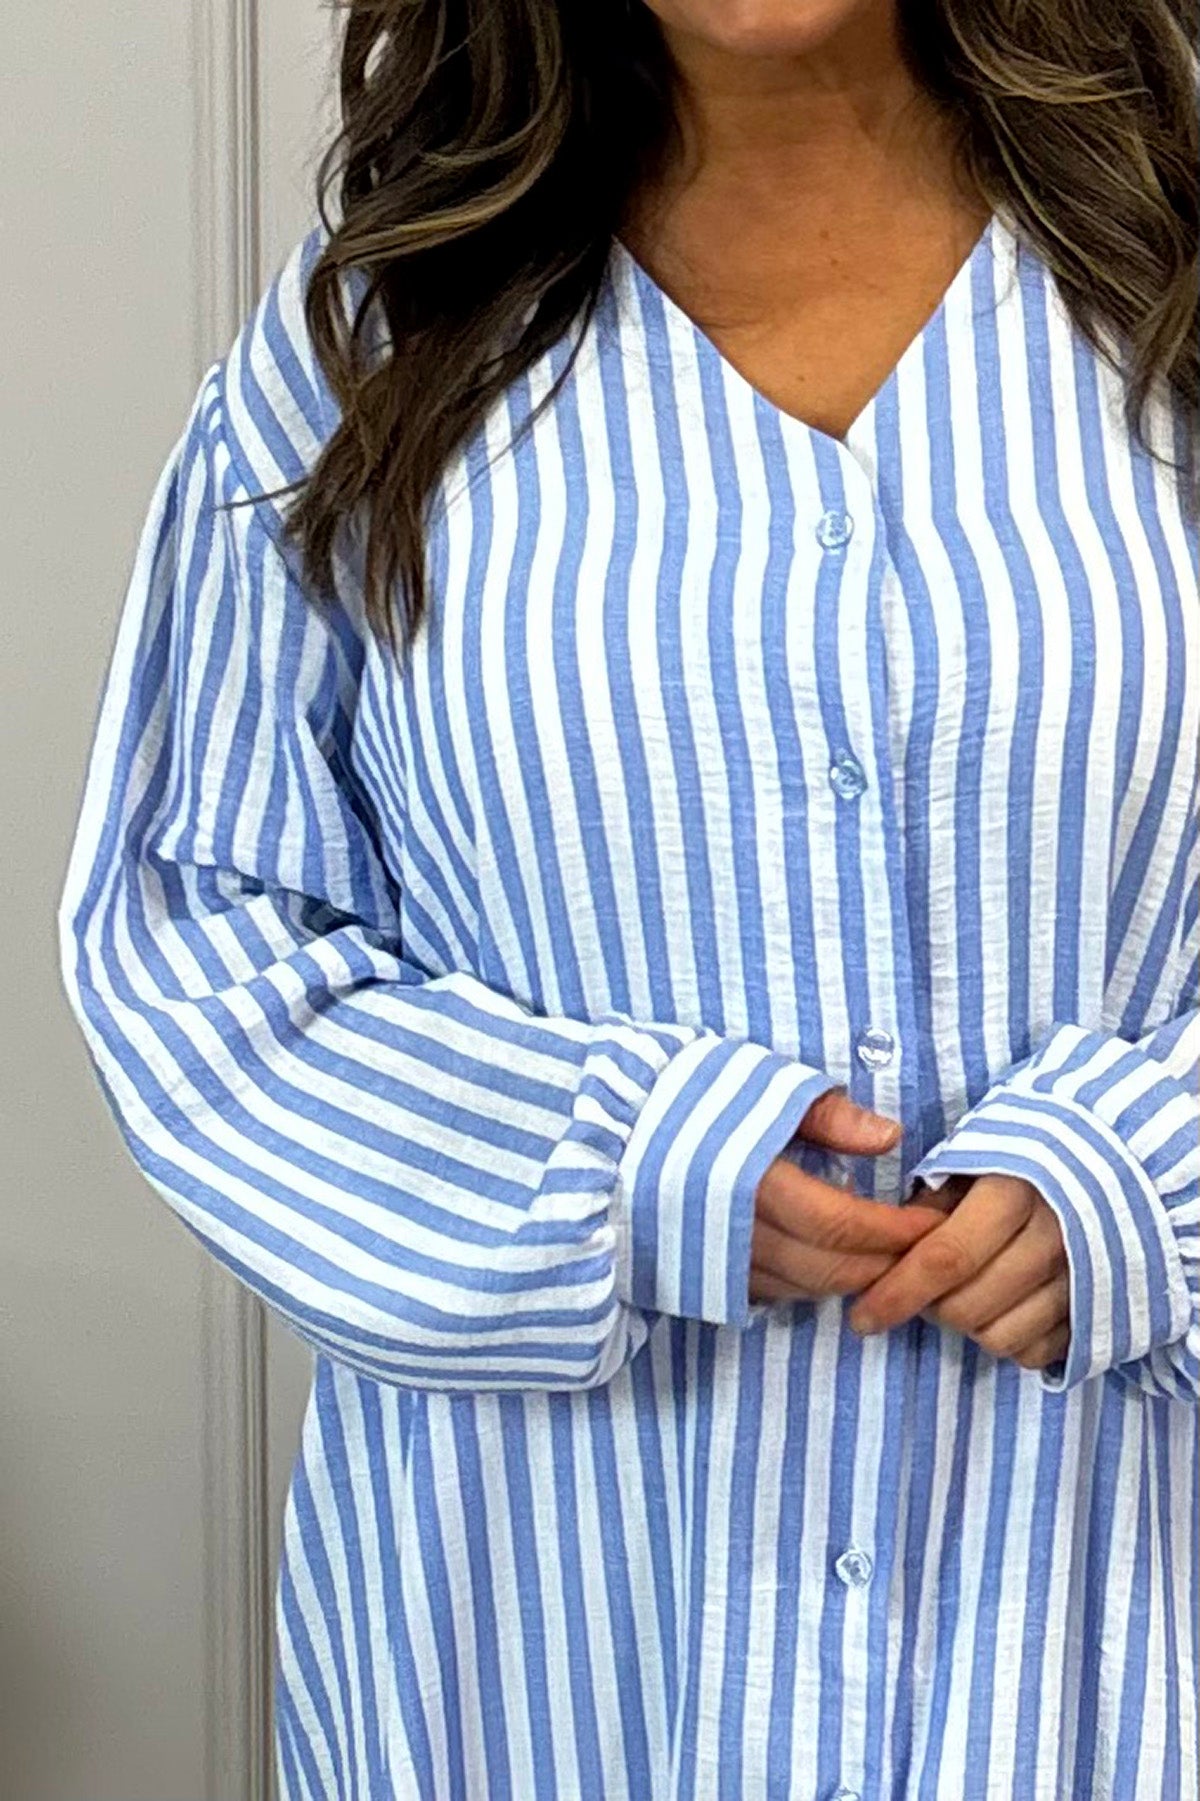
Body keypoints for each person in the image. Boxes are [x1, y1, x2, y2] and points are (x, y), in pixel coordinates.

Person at [57, 1, 1198, 1796]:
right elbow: (194, 937)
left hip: (1103, 1625)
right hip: (536, 1651)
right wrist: (606, 1166)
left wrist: (1161, 1182)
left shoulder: (1172, 290)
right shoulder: (376, 344)